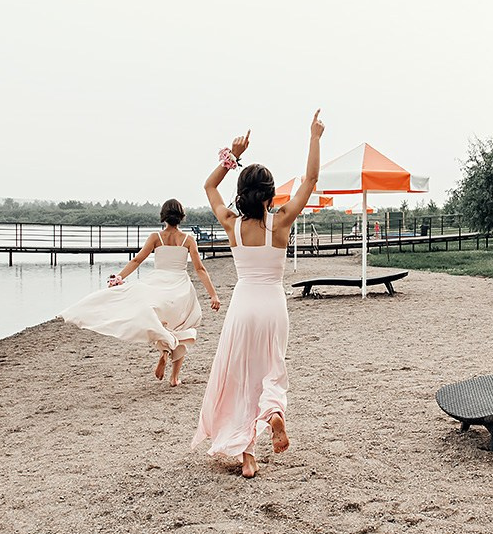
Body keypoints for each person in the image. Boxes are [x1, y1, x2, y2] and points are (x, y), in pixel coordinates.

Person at [192, 112, 324, 478]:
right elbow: (311, 180)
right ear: (270, 193)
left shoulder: (232, 224)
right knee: (271, 369)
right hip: (273, 306)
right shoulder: (279, 222)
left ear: (242, 193)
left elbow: (209, 187)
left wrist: (232, 157)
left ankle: (247, 456)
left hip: (243, 306)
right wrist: (314, 136)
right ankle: (274, 412)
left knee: (241, 378)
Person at [59, 199, 222, 387]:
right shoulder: (188, 240)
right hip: (180, 287)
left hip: (157, 284)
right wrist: (213, 295)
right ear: (181, 218)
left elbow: (137, 260)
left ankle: (164, 352)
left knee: (160, 322)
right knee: (181, 327)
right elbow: (200, 268)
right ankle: (174, 377)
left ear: (164, 216)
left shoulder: (156, 237)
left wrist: (119, 278)